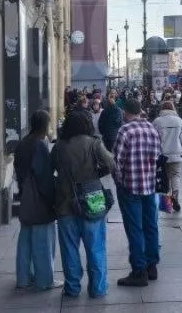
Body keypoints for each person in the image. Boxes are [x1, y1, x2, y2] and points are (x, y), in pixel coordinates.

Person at [52, 108, 115, 298]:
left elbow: (50, 169)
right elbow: (111, 164)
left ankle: (72, 287)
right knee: (96, 247)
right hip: (93, 198)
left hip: (64, 201)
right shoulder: (94, 143)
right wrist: (96, 174)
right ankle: (98, 288)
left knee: (69, 248)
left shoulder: (59, 146)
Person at [111, 96, 162, 287]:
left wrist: (119, 181)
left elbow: (116, 161)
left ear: (125, 112)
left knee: (134, 228)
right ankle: (152, 265)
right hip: (149, 185)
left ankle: (139, 270)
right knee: (151, 225)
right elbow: (158, 156)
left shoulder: (124, 130)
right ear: (140, 110)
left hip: (130, 186)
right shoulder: (152, 129)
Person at [13, 109, 59, 292]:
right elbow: (43, 176)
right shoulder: (39, 145)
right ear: (45, 125)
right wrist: (52, 198)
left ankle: (23, 278)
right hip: (39, 200)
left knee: (25, 240)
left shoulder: (22, 143)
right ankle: (44, 280)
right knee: (43, 242)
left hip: (26, 197)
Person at [153, 99, 182, 212]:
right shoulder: (179, 121)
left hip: (161, 155)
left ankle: (167, 203)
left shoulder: (157, 122)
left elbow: (153, 139)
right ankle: (175, 196)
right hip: (176, 154)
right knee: (175, 175)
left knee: (165, 178)